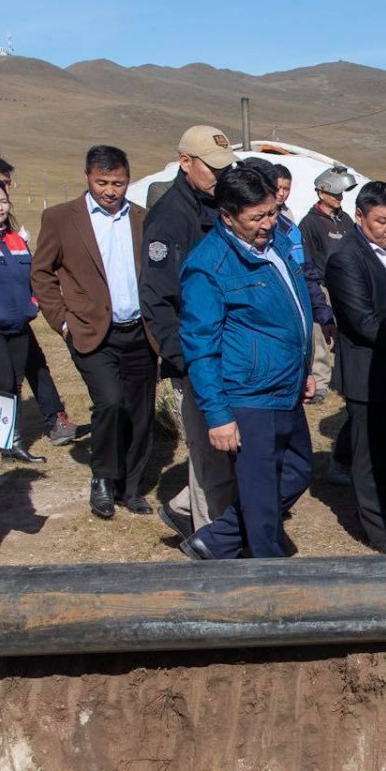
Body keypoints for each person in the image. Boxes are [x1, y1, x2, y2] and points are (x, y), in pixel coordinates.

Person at [177, 164, 314, 560]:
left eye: (272, 212)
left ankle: (215, 541)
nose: (268, 223)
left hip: (285, 385)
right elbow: (200, 346)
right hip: (249, 394)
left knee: (297, 471)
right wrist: (218, 415)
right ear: (227, 216)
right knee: (260, 494)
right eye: (257, 217)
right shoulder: (210, 265)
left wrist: (303, 369)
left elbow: (293, 309)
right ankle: (268, 573)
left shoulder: (278, 243)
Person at [31, 145, 156, 519]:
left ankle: (130, 488)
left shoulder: (142, 218)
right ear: (87, 177)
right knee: (111, 403)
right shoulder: (61, 218)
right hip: (91, 331)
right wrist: (62, 321)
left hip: (139, 331)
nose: (110, 191)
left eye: (118, 183)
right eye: (102, 182)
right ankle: (103, 478)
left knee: (140, 412)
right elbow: (41, 273)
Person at [139, 126, 239, 539]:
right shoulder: (169, 218)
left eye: (225, 167)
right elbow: (158, 299)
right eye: (213, 168)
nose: (221, 175)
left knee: (226, 451)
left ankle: (187, 512)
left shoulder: (221, 203)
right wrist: (184, 360)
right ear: (185, 162)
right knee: (210, 453)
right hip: (196, 356)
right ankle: (211, 541)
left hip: (228, 348)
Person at [325, 181, 386, 551]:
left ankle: (384, 510)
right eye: (382, 221)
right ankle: (380, 535)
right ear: (360, 216)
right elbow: (363, 322)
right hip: (369, 375)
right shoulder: (345, 258)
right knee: (370, 459)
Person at [0, 179, 71, 465]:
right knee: (0, 382)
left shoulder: (15, 240)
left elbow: (33, 276)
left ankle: (9, 444)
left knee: (15, 382)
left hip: (19, 323)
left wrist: (33, 303)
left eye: (3, 201)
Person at [297, 167, 355, 403]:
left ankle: (345, 378)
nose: (339, 198)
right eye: (335, 194)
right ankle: (320, 383)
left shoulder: (346, 220)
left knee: (348, 332)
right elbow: (306, 258)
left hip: (346, 285)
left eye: (341, 194)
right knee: (320, 335)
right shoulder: (309, 223)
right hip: (322, 285)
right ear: (322, 193)